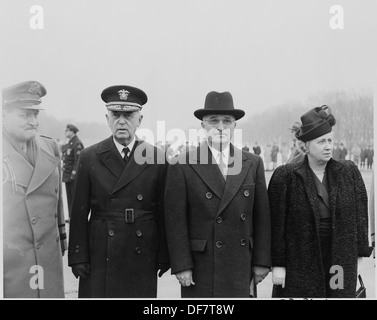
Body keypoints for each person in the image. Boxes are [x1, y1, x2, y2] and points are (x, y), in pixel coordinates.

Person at [164, 91, 271, 298]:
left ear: (234, 126)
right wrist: (182, 265)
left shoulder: (253, 163)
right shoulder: (182, 164)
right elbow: (175, 221)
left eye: (227, 121)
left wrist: (261, 261)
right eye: (214, 121)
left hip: (240, 264)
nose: (220, 127)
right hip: (201, 265)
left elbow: (262, 218)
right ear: (203, 126)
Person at [68, 85, 170, 298]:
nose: (121, 121)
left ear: (140, 120)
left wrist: (164, 253)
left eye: (129, 115)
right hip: (101, 249)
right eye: (116, 115)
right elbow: (78, 212)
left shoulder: (157, 157)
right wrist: (78, 256)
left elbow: (163, 212)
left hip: (142, 248)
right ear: (107, 118)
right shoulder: (90, 156)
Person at [269, 105, 373, 298]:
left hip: (339, 260)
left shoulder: (348, 172)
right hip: (300, 261)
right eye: (321, 142)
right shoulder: (286, 177)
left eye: (330, 140)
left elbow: (360, 216)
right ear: (306, 145)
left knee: (338, 293)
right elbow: (276, 225)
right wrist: (278, 264)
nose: (328, 146)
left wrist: (358, 256)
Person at [2, 81, 67, 298]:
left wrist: (62, 236)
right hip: (13, 268)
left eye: (35, 115)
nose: (33, 122)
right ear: (3, 114)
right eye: (24, 115)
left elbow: (56, 203)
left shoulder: (49, 147)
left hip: (48, 263)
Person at [61, 124, 84, 218]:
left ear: (72, 131)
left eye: (67, 130)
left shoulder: (77, 143)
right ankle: (71, 216)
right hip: (67, 175)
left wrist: (74, 174)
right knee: (69, 197)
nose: (65, 132)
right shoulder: (70, 142)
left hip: (73, 176)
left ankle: (75, 217)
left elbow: (78, 161)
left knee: (74, 198)